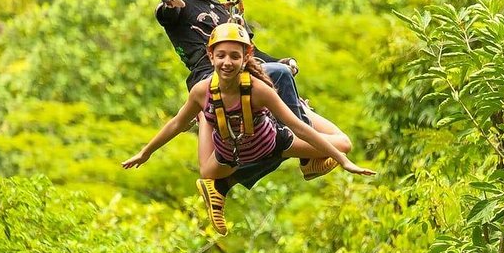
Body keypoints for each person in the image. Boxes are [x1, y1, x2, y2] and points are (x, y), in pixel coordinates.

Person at [122, 23, 376, 235]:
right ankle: (207, 120)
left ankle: (305, 114)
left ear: (247, 57)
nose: (227, 62)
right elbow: (176, 123)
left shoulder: (259, 90)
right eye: (221, 56)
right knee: (206, 170)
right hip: (229, 157)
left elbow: (297, 126)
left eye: (235, 56)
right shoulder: (201, 91)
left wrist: (343, 161)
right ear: (210, 56)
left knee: (343, 143)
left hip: (275, 144)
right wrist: (146, 152)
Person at [155, 0, 346, 187]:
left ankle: (225, 184)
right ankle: (306, 157)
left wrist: (280, 61)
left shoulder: (222, 8)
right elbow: (167, 13)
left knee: (283, 134)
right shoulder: (180, 6)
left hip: (241, 72)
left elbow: (248, 54)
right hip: (211, 77)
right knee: (279, 77)